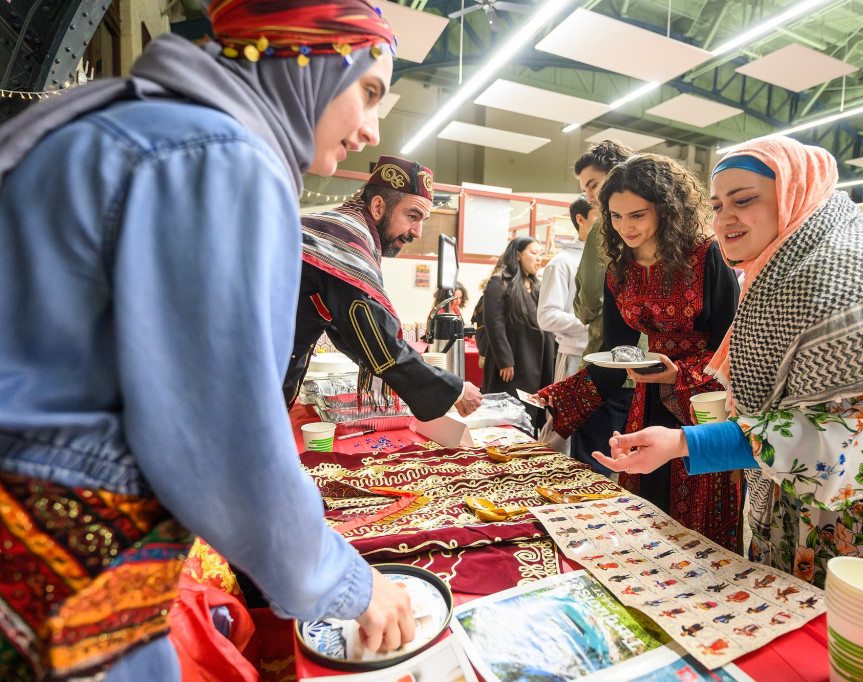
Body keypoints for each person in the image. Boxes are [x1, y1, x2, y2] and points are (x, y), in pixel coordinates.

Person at [0, 2, 418, 678]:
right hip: (59, 586)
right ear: (299, 54)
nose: (370, 129)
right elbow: (224, 442)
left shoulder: (138, 126)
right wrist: (348, 582)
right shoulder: (218, 156)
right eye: (367, 91)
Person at [594, 137, 863, 681]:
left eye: (744, 199)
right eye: (719, 202)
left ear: (796, 194)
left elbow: (841, 434)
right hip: (841, 483)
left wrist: (686, 443)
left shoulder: (844, 270)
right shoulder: (786, 264)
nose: (726, 216)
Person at [539, 154, 742, 551]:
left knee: (700, 521)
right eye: (615, 216)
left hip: (705, 402)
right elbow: (615, 355)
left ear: (665, 211)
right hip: (647, 399)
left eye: (637, 215)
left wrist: (679, 374)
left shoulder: (707, 255)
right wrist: (555, 401)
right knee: (647, 510)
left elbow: (729, 347)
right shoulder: (621, 267)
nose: (625, 227)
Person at [282, 155, 482, 419]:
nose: (418, 232)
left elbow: (348, 331)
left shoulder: (342, 229)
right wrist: (454, 390)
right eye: (412, 215)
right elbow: (379, 339)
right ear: (378, 207)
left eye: (423, 219)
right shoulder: (345, 243)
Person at [570, 140, 637, 472]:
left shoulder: (605, 227)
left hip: (609, 366)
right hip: (648, 372)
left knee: (591, 467)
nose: (592, 197)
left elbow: (589, 301)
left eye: (593, 185)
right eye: (586, 192)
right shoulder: (657, 226)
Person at [536, 195, 594, 455]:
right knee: (564, 430)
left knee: (594, 434)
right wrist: (592, 325)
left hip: (605, 361)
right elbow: (546, 316)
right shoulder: (562, 263)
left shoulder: (613, 259)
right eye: (599, 215)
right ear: (580, 219)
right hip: (574, 357)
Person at [482, 236, 555, 433]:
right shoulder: (499, 283)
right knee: (509, 416)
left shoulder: (537, 286)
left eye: (540, 254)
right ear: (518, 255)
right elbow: (494, 324)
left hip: (538, 362)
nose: (539, 258)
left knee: (533, 414)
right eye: (534, 253)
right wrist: (505, 360)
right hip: (513, 364)